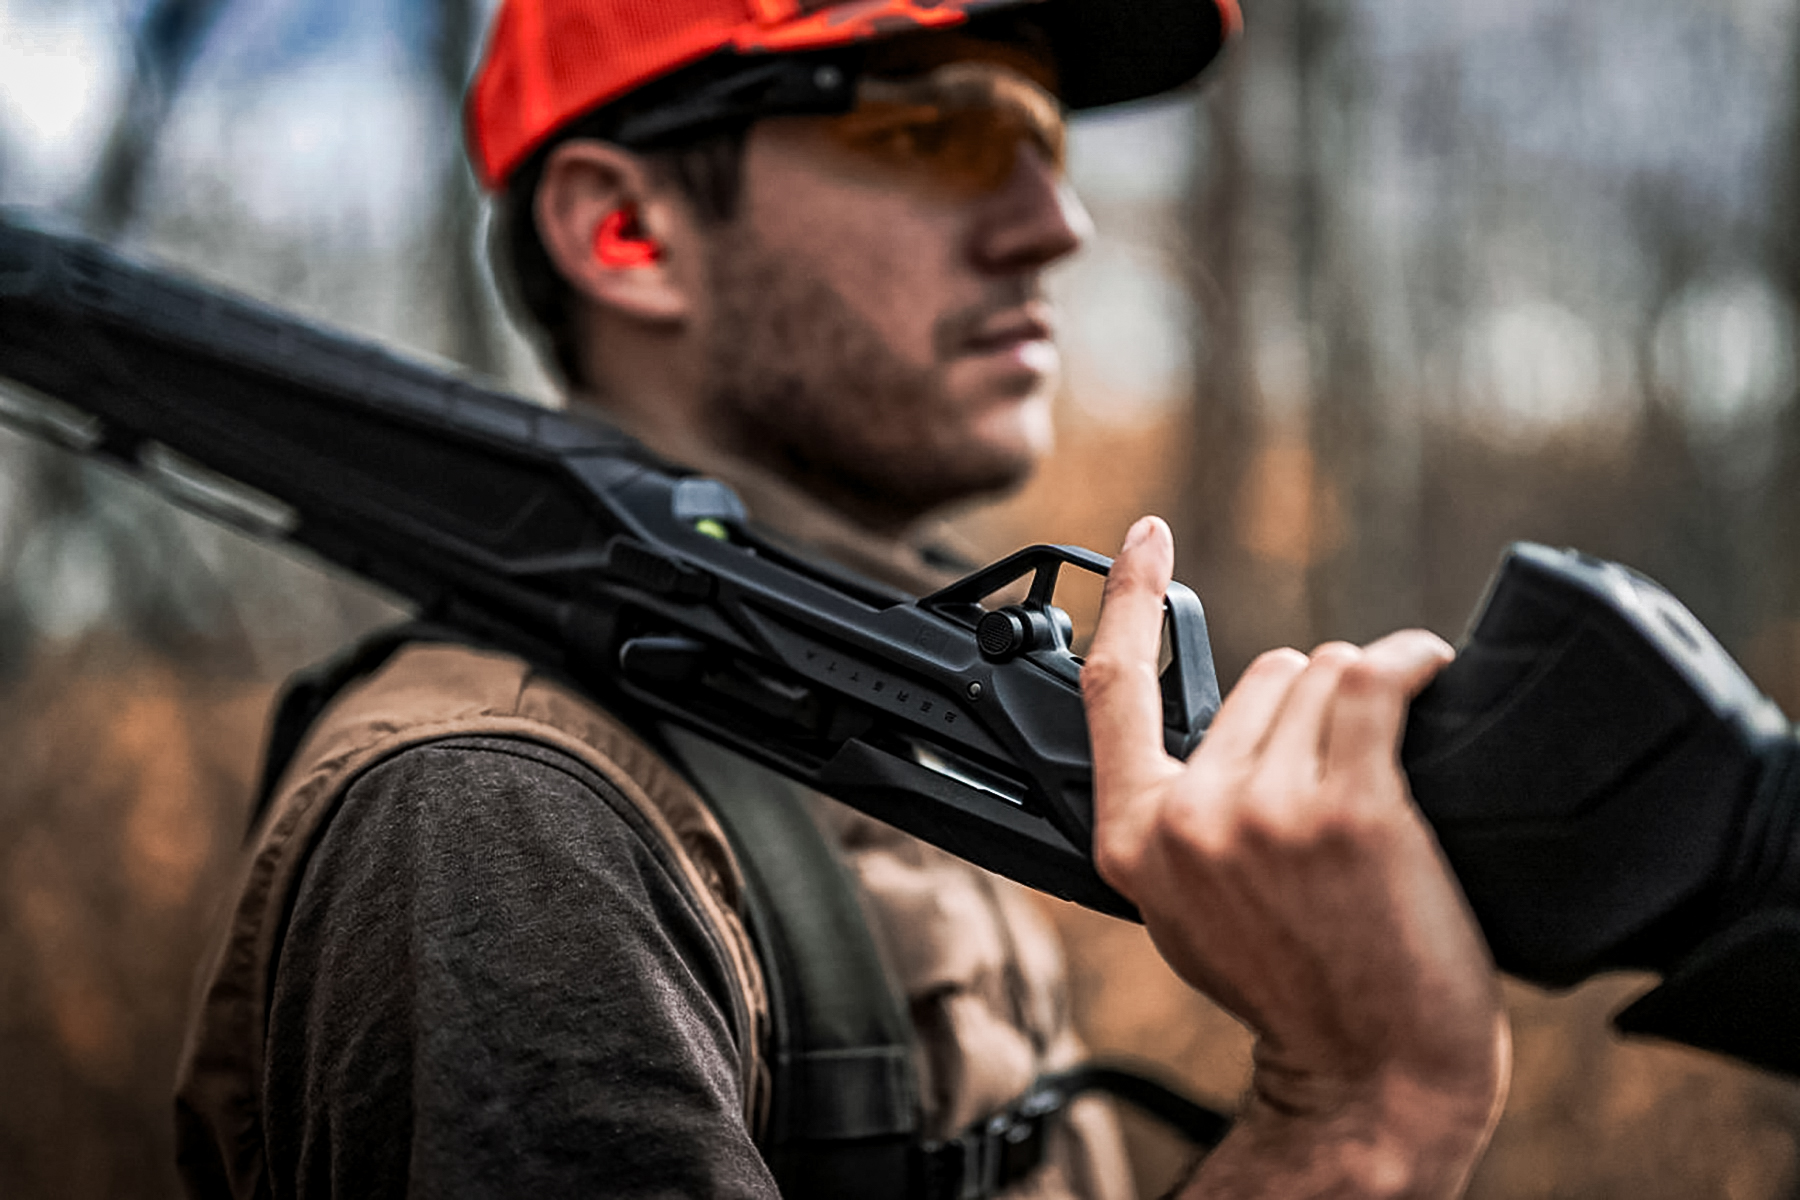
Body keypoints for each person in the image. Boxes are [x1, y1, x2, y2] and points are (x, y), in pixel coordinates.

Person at [172, 1, 1510, 1197]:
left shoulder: (879, 695)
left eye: (1045, 132)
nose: (1057, 221)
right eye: (945, 131)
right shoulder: (506, 814)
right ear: (625, 231)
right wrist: (1348, 1134)